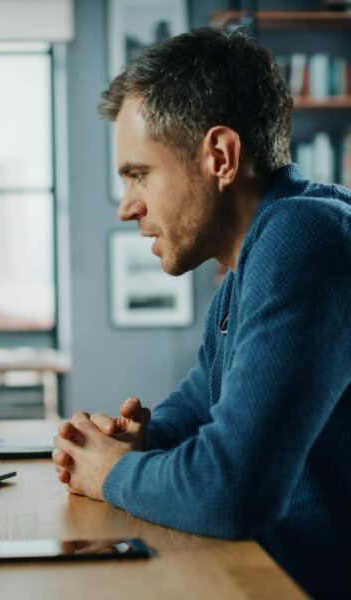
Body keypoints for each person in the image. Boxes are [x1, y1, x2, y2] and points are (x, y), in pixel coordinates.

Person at [53, 27, 351, 599]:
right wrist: (135, 441)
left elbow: (232, 489)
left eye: (139, 174)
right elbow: (195, 412)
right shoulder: (249, 265)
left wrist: (110, 473)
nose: (126, 207)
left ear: (220, 156)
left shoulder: (304, 237)